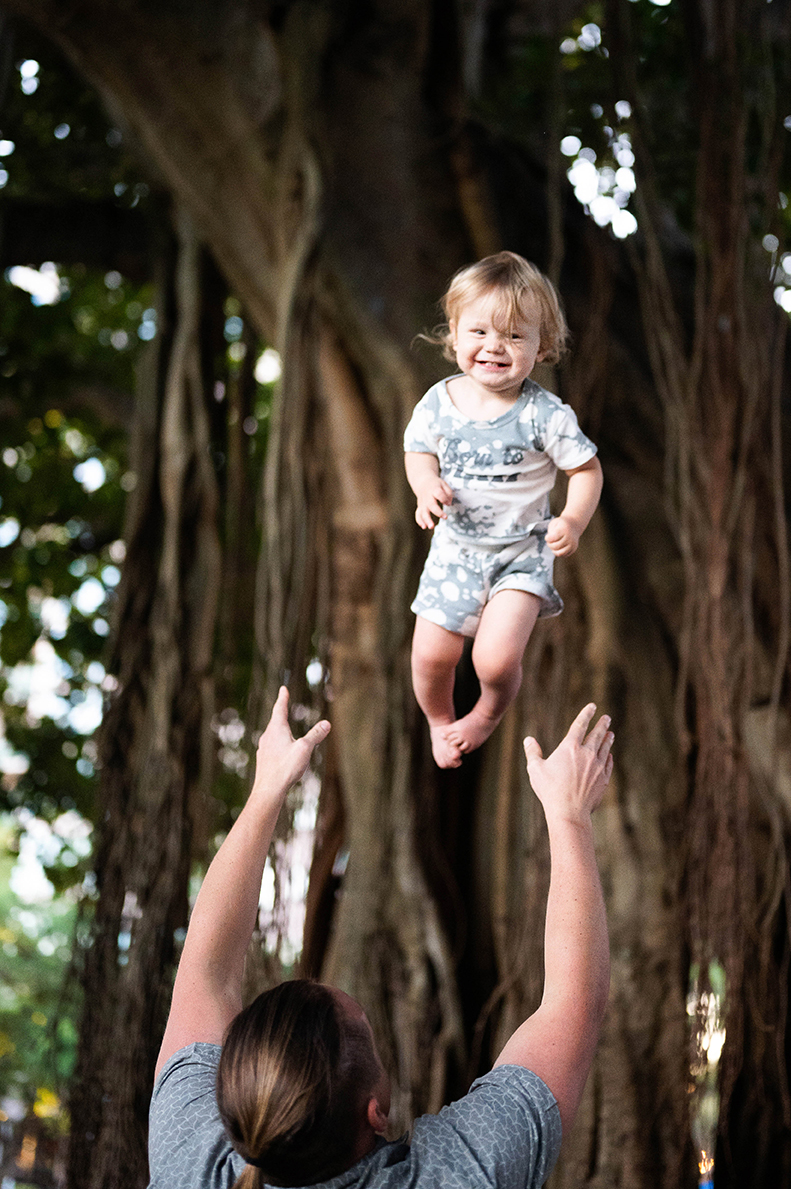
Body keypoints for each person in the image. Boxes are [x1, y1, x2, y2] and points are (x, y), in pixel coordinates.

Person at [147, 686, 613, 1189]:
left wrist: (265, 794)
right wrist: (568, 814)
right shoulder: (454, 1175)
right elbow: (573, 1005)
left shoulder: (192, 1164)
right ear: (375, 1114)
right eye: (365, 1030)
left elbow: (204, 974)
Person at [405, 252, 603, 768]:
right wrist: (425, 485)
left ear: (542, 348)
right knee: (430, 656)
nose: (495, 345)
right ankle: (439, 722)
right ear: (453, 333)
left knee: (493, 660)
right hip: (456, 551)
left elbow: (586, 470)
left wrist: (573, 520)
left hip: (522, 554)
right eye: (480, 332)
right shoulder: (438, 402)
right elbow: (417, 451)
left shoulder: (545, 415)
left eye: (515, 336)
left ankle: (488, 713)